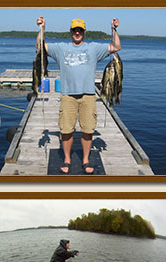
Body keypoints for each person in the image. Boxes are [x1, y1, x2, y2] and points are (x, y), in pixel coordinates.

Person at [36, 16, 121, 174]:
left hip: (88, 95)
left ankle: (86, 160)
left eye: (80, 30)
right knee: (66, 130)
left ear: (84, 32)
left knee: (88, 130)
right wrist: (42, 28)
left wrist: (114, 29)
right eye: (75, 30)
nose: (77, 32)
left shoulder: (94, 48)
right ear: (70, 31)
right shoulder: (61, 48)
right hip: (68, 95)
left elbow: (116, 46)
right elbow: (40, 46)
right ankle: (67, 160)